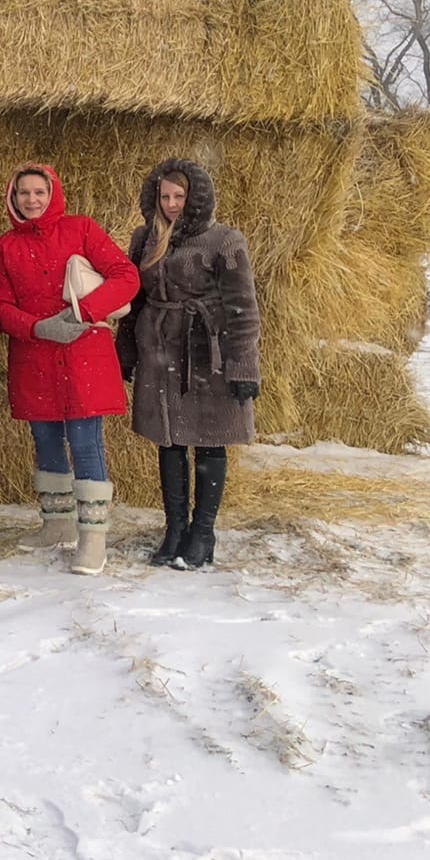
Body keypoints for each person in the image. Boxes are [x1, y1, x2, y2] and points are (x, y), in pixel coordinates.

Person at [0, 164, 139, 575]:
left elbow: (127, 277)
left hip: (83, 354)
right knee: (46, 439)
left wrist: (84, 312)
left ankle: (93, 538)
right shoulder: (3, 247)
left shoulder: (81, 229)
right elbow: (0, 307)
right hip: (35, 355)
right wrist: (37, 327)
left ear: (52, 194)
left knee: (85, 440)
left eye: (39, 192)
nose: (31, 200)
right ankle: (57, 526)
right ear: (13, 197)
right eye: (23, 193)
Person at [118, 159, 260, 571]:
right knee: (170, 439)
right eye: (164, 196)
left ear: (196, 197)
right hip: (159, 351)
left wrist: (244, 366)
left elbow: (243, 308)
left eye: (179, 196)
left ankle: (203, 531)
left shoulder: (224, 241)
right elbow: (134, 302)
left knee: (209, 438)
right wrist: (125, 351)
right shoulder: (145, 238)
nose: (172, 204)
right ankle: (175, 528)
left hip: (205, 350)